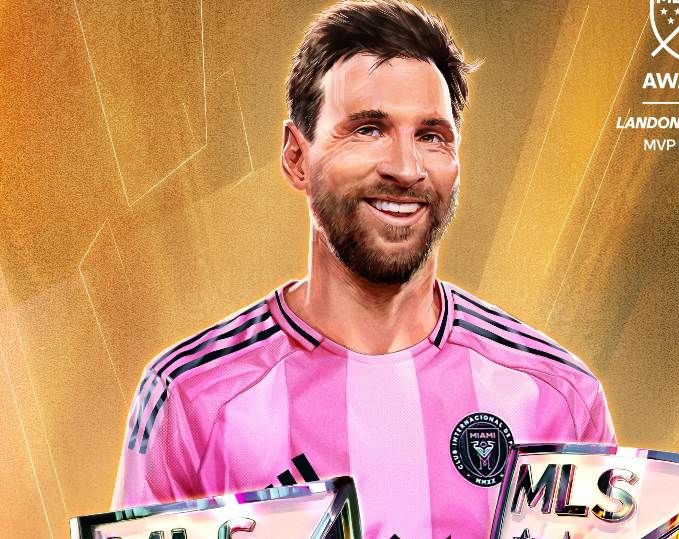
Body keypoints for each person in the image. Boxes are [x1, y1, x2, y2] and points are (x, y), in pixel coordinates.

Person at [112, 1, 616, 536]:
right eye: (369, 129)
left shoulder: (557, 396)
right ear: (296, 157)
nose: (405, 168)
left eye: (431, 136)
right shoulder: (190, 397)